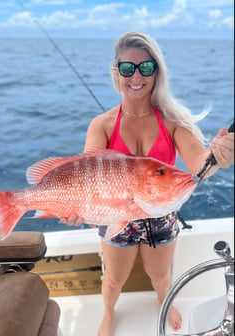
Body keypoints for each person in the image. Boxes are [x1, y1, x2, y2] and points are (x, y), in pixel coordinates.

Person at [63, 32, 234, 335]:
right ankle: (108, 313)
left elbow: (198, 166)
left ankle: (163, 299)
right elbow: (87, 175)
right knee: (115, 278)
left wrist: (218, 158)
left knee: (161, 276)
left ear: (157, 70)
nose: (136, 76)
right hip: (117, 214)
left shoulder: (173, 122)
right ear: (117, 72)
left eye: (145, 67)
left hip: (161, 214)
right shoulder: (101, 125)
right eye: (127, 68)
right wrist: (75, 209)